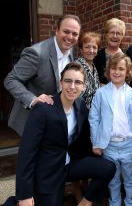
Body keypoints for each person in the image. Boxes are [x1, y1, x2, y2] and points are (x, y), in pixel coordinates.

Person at [11, 62, 116, 206]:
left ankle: (85, 203)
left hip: (69, 166)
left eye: (78, 82)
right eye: (68, 81)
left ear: (84, 86)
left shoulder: (81, 107)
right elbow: (26, 153)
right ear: (61, 83)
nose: (72, 87)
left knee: (108, 167)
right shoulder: (43, 109)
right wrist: (24, 195)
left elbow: (84, 142)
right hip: (47, 173)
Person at [4, 14, 81, 136]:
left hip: (54, 120)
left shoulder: (71, 51)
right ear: (56, 31)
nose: (70, 37)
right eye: (66, 31)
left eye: (75, 34)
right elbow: (11, 80)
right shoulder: (36, 53)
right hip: (32, 120)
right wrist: (33, 100)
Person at [89, 53, 132, 206]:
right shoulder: (100, 93)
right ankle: (114, 203)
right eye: (113, 68)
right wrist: (96, 143)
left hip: (129, 144)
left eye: (121, 69)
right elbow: (94, 119)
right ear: (108, 70)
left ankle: (129, 203)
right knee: (112, 180)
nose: (117, 72)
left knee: (130, 180)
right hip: (109, 145)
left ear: (128, 72)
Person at [94, 18, 125, 86]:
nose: (115, 36)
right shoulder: (97, 57)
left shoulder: (127, 56)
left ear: (122, 36)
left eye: (118, 33)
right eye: (112, 32)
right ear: (106, 35)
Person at [75, 31, 101, 108]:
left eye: (94, 47)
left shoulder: (94, 67)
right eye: (87, 47)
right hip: (80, 112)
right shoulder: (76, 67)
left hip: (93, 113)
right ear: (81, 49)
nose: (91, 50)